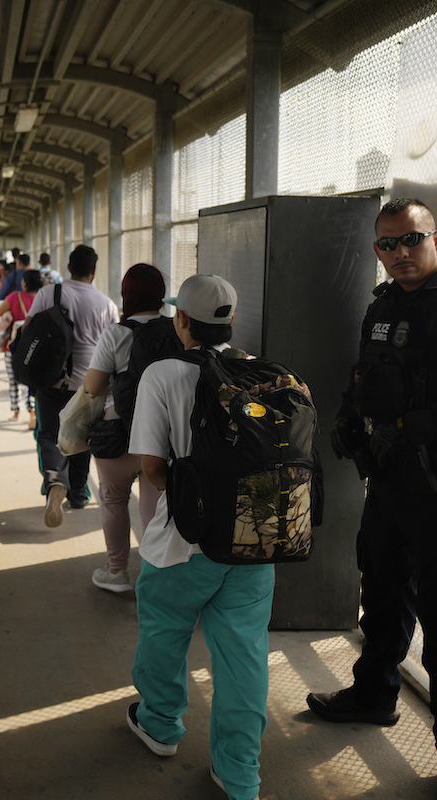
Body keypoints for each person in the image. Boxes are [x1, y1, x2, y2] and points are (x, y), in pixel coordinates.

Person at [306, 197, 437, 800]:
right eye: (387, 245)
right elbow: (365, 378)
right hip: (390, 484)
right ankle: (374, 693)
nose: (400, 254)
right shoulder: (383, 307)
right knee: (381, 590)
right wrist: (347, 417)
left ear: (434, 236)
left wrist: (408, 429)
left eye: (410, 240)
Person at [125, 274, 272, 800]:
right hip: (254, 539)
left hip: (184, 541)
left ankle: (161, 725)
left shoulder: (163, 374)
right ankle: (239, 775)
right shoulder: (260, 372)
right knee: (244, 657)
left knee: (164, 633)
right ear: (231, 321)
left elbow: (151, 468)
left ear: (181, 320)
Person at [82, 263, 169, 592]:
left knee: (114, 500)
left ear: (126, 293)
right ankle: (153, 577)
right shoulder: (177, 329)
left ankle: (117, 572)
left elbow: (92, 387)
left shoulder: (118, 333)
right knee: (154, 508)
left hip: (120, 433)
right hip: (162, 436)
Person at [25, 244, 118, 527]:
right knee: (81, 436)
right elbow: (112, 346)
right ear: (93, 270)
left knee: (49, 434)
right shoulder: (106, 304)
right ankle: (78, 493)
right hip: (89, 383)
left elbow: (29, 331)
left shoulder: (48, 293)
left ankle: (55, 483)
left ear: (68, 268)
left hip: (52, 379)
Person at [0, 268, 42, 428]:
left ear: (24, 283)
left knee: (13, 381)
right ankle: (32, 411)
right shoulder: (43, 298)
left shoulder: (15, 297)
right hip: (35, 347)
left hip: (12, 346)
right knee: (31, 379)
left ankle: (16, 413)